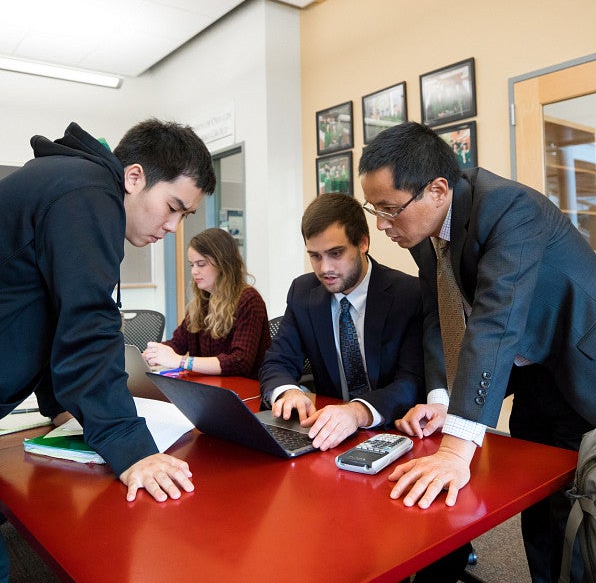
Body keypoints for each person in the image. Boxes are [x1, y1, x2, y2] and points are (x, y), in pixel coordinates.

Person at [359, 121, 596, 583]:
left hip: (584, 361)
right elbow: (438, 315)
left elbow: (495, 321)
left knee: (582, 507)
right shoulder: (425, 228)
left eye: (389, 209)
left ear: (437, 189)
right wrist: (441, 401)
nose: (382, 225)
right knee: (540, 501)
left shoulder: (511, 207)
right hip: (533, 372)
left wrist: (455, 447)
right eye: (375, 209)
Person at [0, 119, 216, 582]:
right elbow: (88, 324)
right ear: (133, 177)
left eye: (186, 216)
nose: (174, 227)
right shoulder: (88, 194)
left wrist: (60, 406)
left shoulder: (73, 186)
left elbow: (52, 311)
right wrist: (131, 446)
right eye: (173, 207)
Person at [259, 192, 471, 583]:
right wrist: (287, 390)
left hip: (402, 434)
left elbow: (413, 380)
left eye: (335, 253)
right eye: (315, 255)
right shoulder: (303, 293)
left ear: (363, 242)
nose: (324, 268)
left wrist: (357, 411)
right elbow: (277, 362)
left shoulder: (409, 293)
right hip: (332, 444)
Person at [143, 228, 270, 379]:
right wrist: (154, 353)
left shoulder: (249, 300)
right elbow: (177, 344)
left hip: (244, 391)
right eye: (192, 265)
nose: (194, 272)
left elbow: (239, 361)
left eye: (201, 264)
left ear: (223, 265)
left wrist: (181, 361)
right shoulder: (202, 302)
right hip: (210, 388)